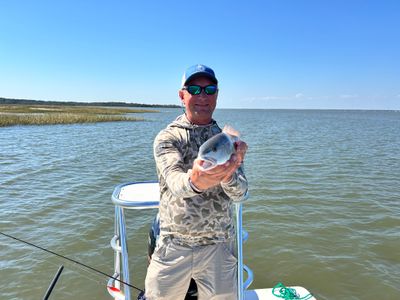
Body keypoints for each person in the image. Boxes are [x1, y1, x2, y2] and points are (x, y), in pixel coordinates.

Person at [145, 64, 248, 300]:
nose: (203, 96)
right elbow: (175, 182)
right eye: (194, 89)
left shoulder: (228, 140)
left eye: (210, 89)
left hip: (219, 246)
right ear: (182, 95)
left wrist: (228, 174)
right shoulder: (168, 137)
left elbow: (241, 193)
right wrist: (196, 181)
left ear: (217, 96)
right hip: (173, 247)